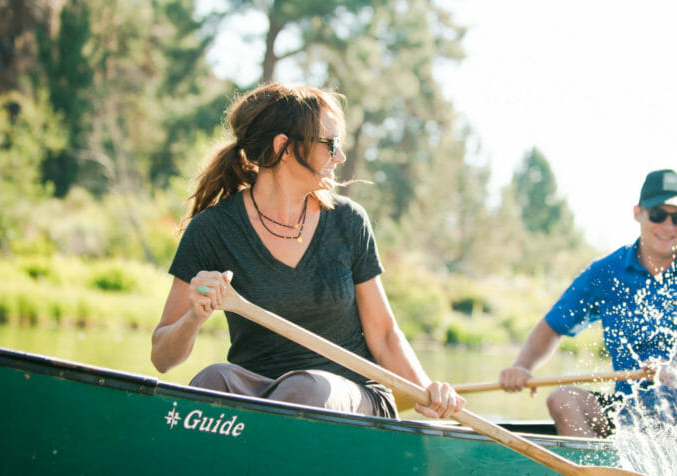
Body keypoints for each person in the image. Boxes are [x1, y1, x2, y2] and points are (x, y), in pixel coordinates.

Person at [152, 83, 464, 420]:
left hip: (352, 395)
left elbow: (385, 334)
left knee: (306, 389)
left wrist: (426, 390)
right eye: (331, 144)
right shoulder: (212, 229)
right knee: (212, 380)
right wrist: (193, 317)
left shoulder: (348, 221)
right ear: (283, 146)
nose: (340, 157)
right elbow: (162, 358)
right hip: (262, 396)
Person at [499, 169, 677, 437]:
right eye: (658, 215)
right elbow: (552, 327)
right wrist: (522, 367)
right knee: (561, 400)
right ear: (638, 212)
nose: (668, 227)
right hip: (628, 414)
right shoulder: (605, 273)